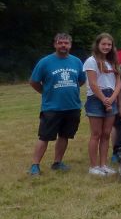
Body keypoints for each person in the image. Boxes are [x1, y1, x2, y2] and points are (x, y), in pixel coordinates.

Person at [29, 33, 86, 175]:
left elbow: (81, 80)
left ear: (70, 45)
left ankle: (57, 162)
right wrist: (45, 92)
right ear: (55, 44)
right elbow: (34, 81)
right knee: (44, 137)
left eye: (66, 43)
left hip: (72, 106)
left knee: (64, 136)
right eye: (60, 43)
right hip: (52, 107)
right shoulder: (45, 62)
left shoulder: (77, 61)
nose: (63, 45)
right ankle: (35, 165)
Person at [83, 33, 121, 176]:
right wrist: (104, 99)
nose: (106, 47)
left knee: (106, 134)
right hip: (96, 99)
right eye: (103, 44)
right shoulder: (91, 61)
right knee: (96, 134)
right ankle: (93, 167)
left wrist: (112, 98)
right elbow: (93, 83)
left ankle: (103, 164)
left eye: (109, 45)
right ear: (98, 45)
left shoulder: (113, 61)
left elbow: (118, 82)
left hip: (111, 97)